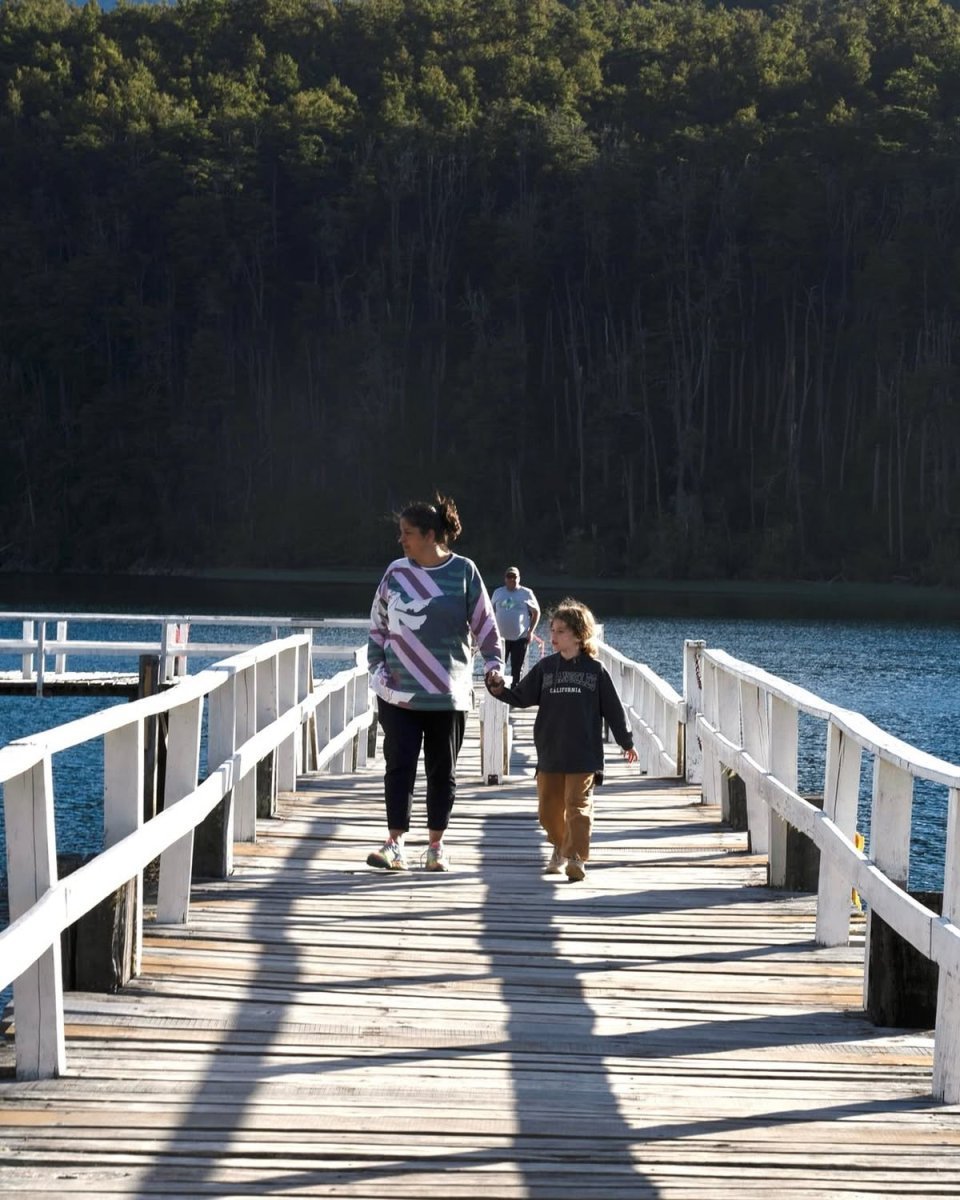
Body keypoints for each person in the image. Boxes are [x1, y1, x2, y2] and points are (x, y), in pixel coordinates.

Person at [366, 494, 503, 872]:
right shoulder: (395, 573)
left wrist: (494, 665)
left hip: (448, 694)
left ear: (430, 535)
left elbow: (486, 627)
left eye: (407, 533)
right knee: (399, 766)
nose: (401, 540)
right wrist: (376, 669)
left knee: (442, 771)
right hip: (398, 692)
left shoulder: (464, 572)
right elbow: (378, 624)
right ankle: (394, 844)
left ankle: (436, 846)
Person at [486, 598, 638, 882]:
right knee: (547, 810)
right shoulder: (545, 668)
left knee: (578, 806)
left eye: (560, 631)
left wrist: (626, 742)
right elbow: (521, 696)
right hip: (550, 752)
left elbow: (614, 711)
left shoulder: (595, 671)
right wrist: (498, 690)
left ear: (579, 635)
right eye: (552, 630)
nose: (552, 636)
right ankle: (559, 845)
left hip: (584, 754)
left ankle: (577, 858)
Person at [490, 566, 541, 684]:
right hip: (500, 639)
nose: (512, 579)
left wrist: (531, 631)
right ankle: (498, 692)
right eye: (509, 576)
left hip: (520, 638)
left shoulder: (526, 593)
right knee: (497, 668)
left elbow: (536, 612)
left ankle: (515, 697)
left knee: (516, 669)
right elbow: (490, 612)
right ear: (505, 578)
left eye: (514, 577)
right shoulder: (498, 592)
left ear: (519, 578)